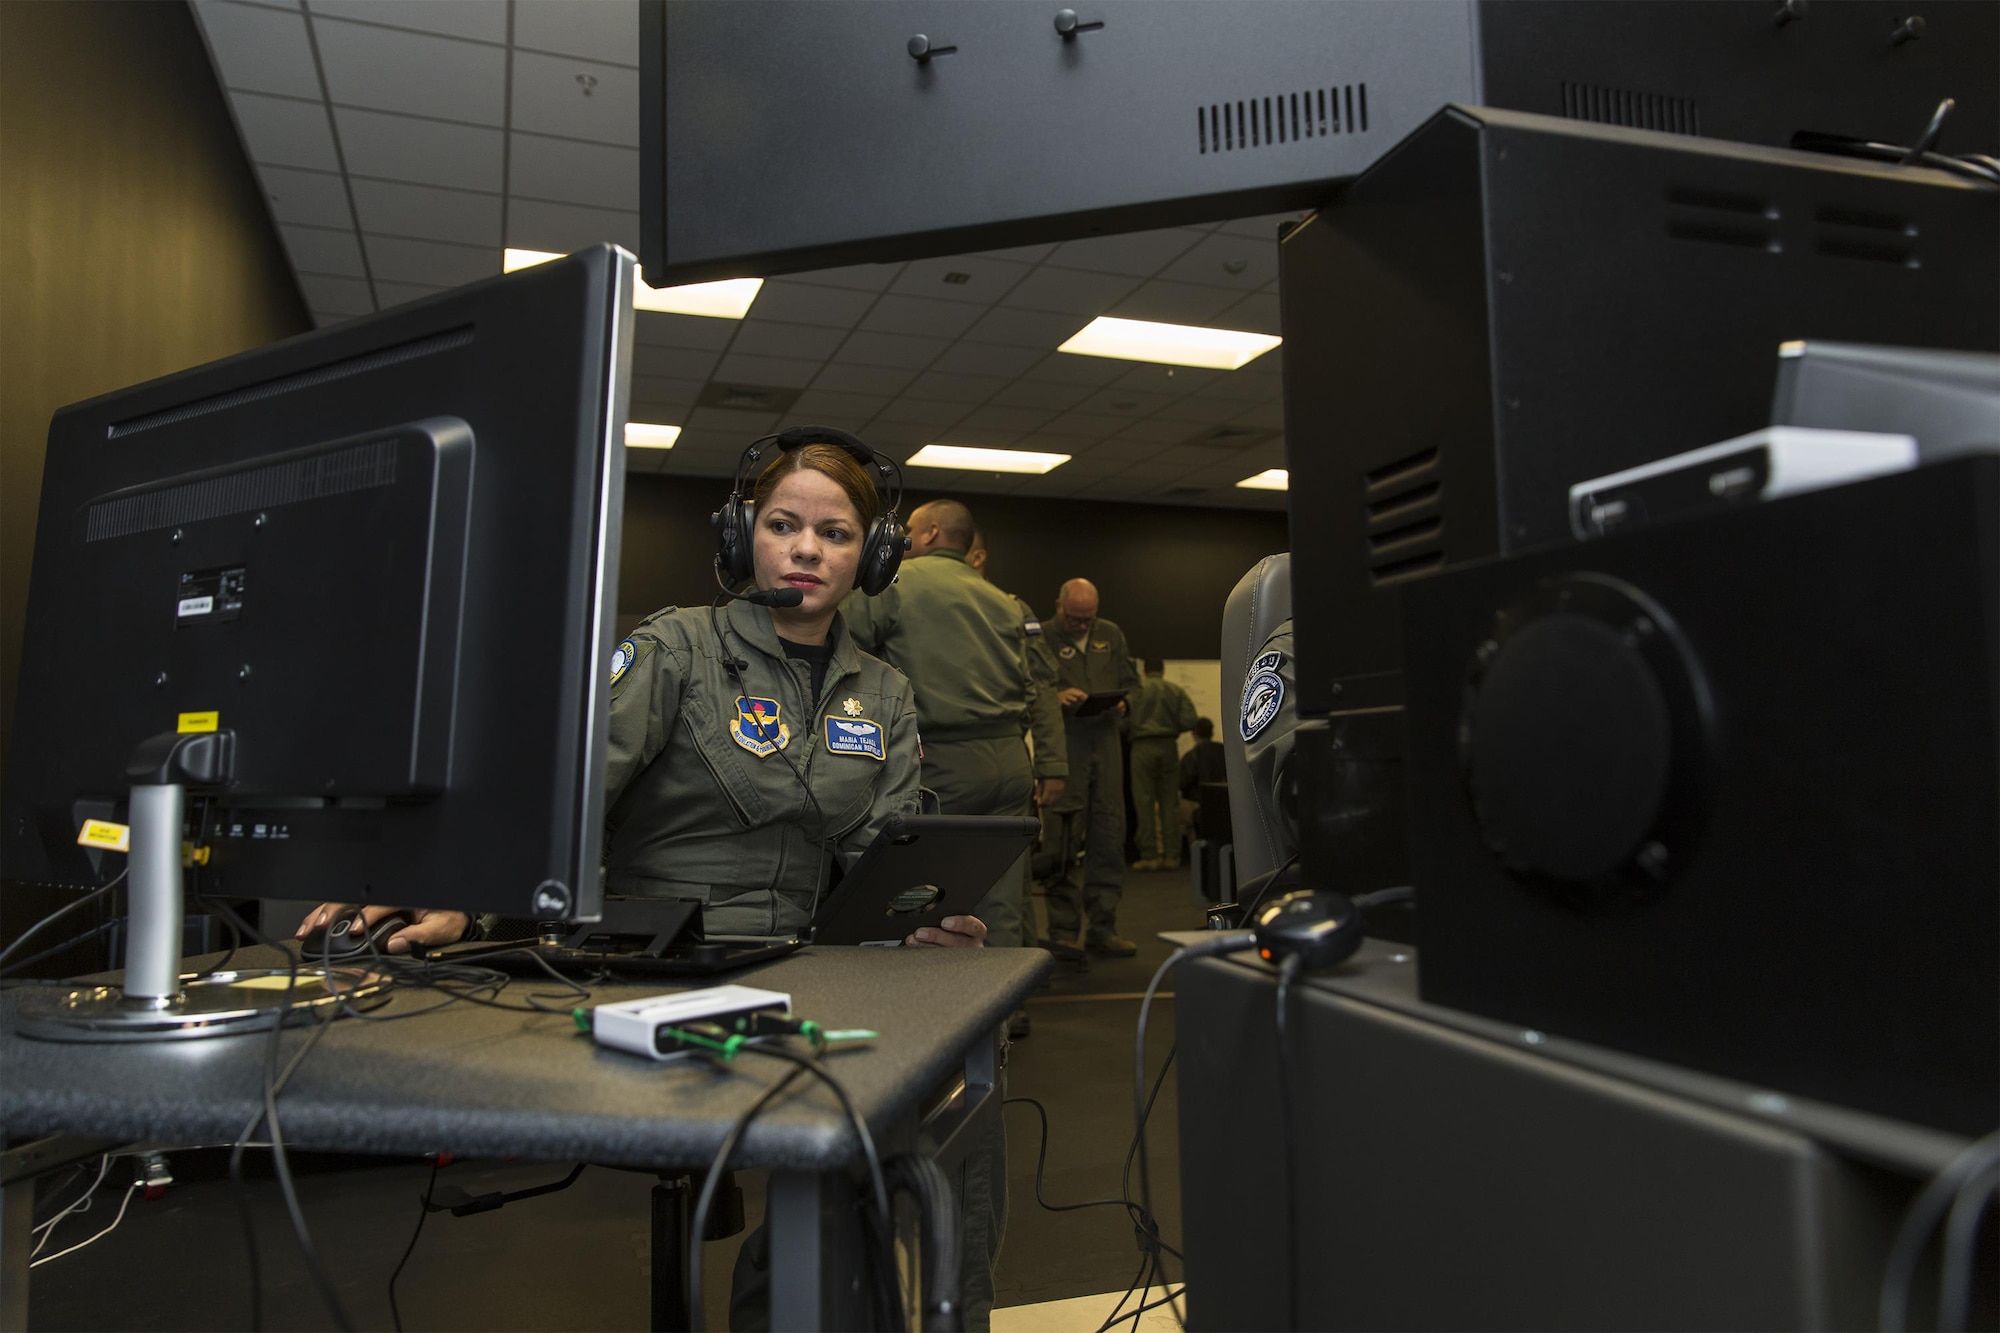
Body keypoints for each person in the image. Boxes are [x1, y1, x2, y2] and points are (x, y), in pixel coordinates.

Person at [295, 431, 988, 950]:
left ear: (869, 557)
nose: (806, 549)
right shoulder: (676, 649)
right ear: (746, 539)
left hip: (804, 963)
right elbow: (563, 794)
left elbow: (889, 856)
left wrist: (929, 917)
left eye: (835, 534)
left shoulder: (886, 691)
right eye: (783, 525)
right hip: (656, 958)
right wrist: (460, 893)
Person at [841, 498, 1066, 957]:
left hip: (942, 757)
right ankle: (1007, 1006)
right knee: (1003, 892)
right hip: (1009, 761)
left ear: (930, 533)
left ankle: (951, 1012)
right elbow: (1036, 684)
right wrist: (1053, 762)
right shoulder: (1004, 599)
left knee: (931, 895)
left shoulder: (898, 583)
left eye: (910, 530)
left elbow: (835, 639)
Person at [1031, 578, 1140, 958]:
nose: (1083, 626)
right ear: (1059, 606)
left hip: (1107, 743)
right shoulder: (1039, 636)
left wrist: (1125, 704)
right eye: (1076, 619)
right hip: (1065, 746)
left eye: (1088, 619)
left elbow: (1132, 683)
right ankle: (1061, 932)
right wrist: (1054, 696)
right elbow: (1028, 686)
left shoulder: (1110, 634)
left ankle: (1103, 928)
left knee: (1109, 835)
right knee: (1061, 839)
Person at [1125, 658, 1198, 871]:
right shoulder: (1174, 690)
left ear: (1144, 671)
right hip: (1168, 747)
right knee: (1169, 802)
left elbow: (1122, 721)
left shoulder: (1136, 692)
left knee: (1144, 802)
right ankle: (1172, 855)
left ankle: (1150, 856)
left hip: (1141, 747)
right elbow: (1190, 720)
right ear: (1163, 670)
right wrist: (1170, 726)